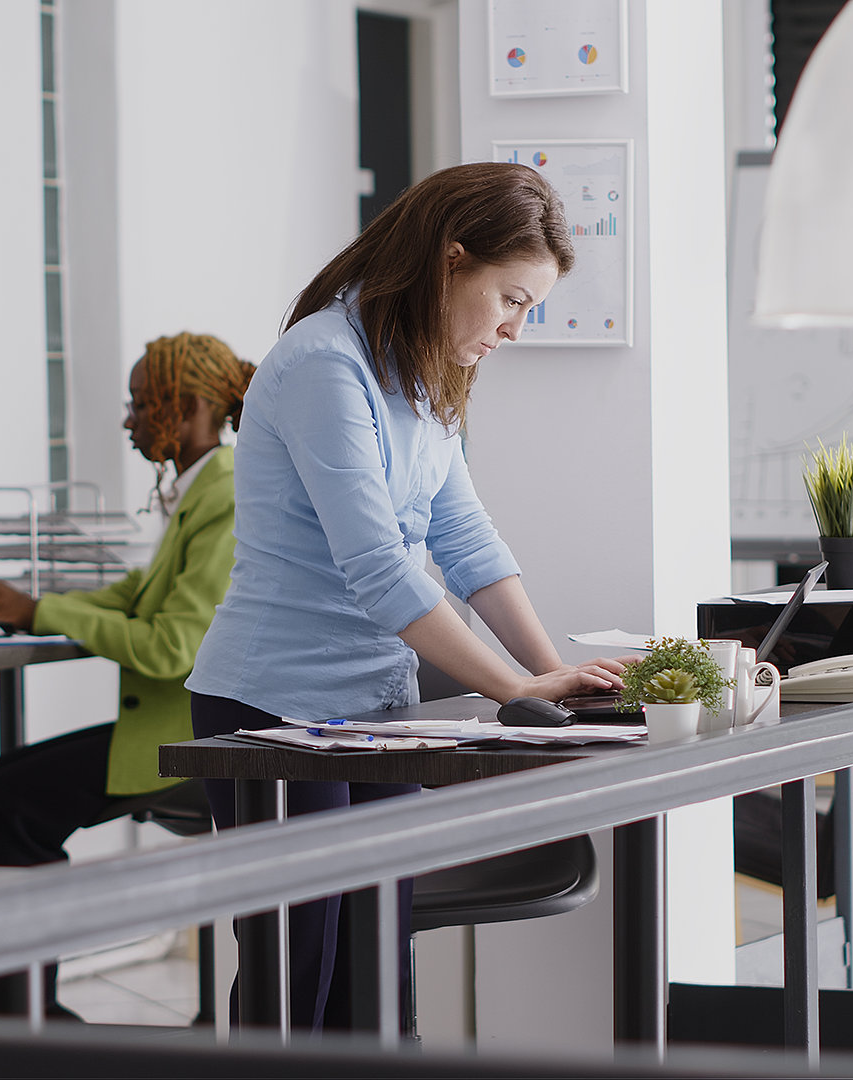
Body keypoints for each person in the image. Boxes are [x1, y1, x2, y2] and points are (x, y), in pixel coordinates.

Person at [185, 162, 629, 1033]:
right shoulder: (323, 363)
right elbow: (382, 569)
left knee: (377, 981)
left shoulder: (421, 375)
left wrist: (554, 673)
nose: (513, 329)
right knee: (295, 982)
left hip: (373, 713)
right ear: (448, 261)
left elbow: (466, 544)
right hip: (273, 711)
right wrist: (514, 691)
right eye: (510, 299)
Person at [0, 331, 254, 1017]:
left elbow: (169, 645)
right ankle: (22, 1014)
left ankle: (21, 1021)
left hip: (194, 739)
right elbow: (135, 595)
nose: (127, 419)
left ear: (184, 410)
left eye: (139, 403)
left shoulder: (227, 496)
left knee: (6, 799)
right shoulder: (205, 487)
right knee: (8, 791)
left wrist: (41, 610)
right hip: (179, 728)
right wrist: (32, 609)